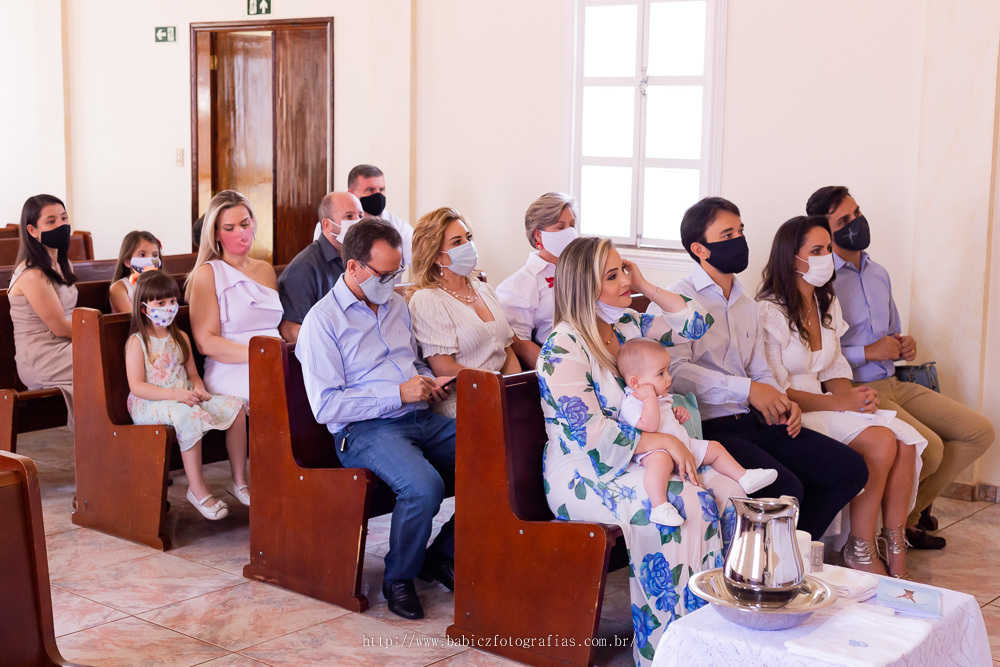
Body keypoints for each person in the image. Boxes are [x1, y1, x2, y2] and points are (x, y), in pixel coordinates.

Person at [538, 235, 744, 666]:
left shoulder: (628, 325)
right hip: (585, 472)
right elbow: (589, 437)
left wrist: (646, 286)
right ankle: (666, 652)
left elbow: (696, 322)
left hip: (644, 458)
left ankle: (715, 637)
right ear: (584, 286)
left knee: (730, 491)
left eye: (623, 270)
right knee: (684, 499)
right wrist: (665, 441)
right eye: (612, 276)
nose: (623, 282)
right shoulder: (562, 347)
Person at [662, 197, 869, 540]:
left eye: (740, 230)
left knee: (848, 470)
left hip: (753, 421)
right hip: (710, 428)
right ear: (700, 248)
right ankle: (773, 566)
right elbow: (678, 373)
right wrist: (747, 390)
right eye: (726, 233)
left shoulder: (747, 305)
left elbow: (760, 368)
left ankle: (788, 558)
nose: (739, 239)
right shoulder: (679, 299)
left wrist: (782, 400)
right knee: (787, 487)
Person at [807, 186, 995, 549]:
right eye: (843, 221)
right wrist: (866, 351)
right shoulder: (824, 281)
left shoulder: (879, 272)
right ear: (825, 232)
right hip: (858, 389)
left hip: (893, 379)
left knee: (979, 431)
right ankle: (889, 530)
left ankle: (903, 520)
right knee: (933, 447)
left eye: (857, 213)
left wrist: (902, 344)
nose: (856, 223)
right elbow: (818, 350)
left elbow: (890, 331)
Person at [296, 219, 455, 621]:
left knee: (496, 457)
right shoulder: (322, 322)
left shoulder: (396, 305)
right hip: (363, 431)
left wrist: (427, 381)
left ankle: (440, 555)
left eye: (396, 272)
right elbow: (327, 406)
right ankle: (398, 579)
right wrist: (397, 393)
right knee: (423, 487)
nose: (392, 283)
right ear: (353, 268)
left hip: (418, 415)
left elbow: (409, 360)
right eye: (384, 274)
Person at [757, 215, 925, 577]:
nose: (826, 257)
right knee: (880, 441)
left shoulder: (825, 301)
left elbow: (834, 368)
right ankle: (859, 547)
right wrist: (840, 404)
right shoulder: (770, 311)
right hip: (795, 411)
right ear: (791, 258)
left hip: (828, 403)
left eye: (827, 249)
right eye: (816, 250)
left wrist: (857, 401)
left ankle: (894, 542)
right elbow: (775, 389)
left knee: (907, 441)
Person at [125, 271, 249, 519]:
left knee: (235, 407)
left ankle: (238, 480)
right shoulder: (137, 342)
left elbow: (192, 374)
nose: (169, 307)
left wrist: (198, 388)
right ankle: (198, 489)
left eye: (172, 301)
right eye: (161, 303)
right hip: (150, 402)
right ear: (144, 308)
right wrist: (176, 395)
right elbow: (137, 386)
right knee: (187, 415)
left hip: (183, 395)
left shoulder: (180, 337)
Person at [616, 338, 777, 526]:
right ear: (636, 382)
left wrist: (678, 415)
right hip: (653, 450)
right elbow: (650, 426)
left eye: (667, 370)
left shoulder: (661, 396)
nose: (669, 378)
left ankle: (743, 476)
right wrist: (650, 398)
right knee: (660, 462)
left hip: (681, 444)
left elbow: (667, 422)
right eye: (660, 374)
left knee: (715, 448)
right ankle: (659, 506)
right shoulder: (633, 400)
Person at [407, 207, 520, 417]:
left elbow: (506, 349)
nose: (468, 245)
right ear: (436, 257)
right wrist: (495, 386)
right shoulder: (428, 299)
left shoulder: (483, 288)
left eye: (468, 238)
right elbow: (444, 368)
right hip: (464, 402)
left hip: (501, 393)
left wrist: (514, 390)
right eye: (457, 242)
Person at [186, 190, 282, 405]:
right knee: (275, 394)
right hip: (232, 369)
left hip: (274, 360)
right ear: (216, 233)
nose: (241, 233)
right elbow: (206, 343)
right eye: (230, 228)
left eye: (245, 224)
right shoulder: (208, 273)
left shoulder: (265, 269)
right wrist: (261, 354)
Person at [8, 194, 78, 428]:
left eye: (64, 218)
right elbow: (59, 327)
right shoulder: (33, 274)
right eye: (51, 221)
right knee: (104, 359)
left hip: (66, 347)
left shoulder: (63, 264)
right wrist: (99, 335)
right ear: (33, 230)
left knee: (119, 355)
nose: (61, 225)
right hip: (42, 356)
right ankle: (97, 440)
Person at [497, 192, 579, 368]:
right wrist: (557, 369)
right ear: (538, 235)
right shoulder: (521, 283)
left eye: (572, 225)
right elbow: (518, 343)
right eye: (560, 227)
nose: (570, 232)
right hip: (558, 362)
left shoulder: (583, 270)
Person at [278, 192, 364, 342]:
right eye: (349, 217)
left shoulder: (361, 258)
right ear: (327, 225)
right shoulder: (304, 267)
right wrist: (331, 344)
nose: (357, 222)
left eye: (361, 216)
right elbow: (289, 329)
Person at [312, 164, 415, 271]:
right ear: (352, 193)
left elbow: (419, 261)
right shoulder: (331, 225)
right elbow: (320, 262)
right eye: (370, 190)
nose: (378, 195)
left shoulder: (400, 227)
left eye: (381, 189)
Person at [109, 231, 162, 313]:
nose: (150, 260)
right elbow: (132, 319)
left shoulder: (161, 284)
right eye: (142, 255)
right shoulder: (119, 288)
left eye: (154, 255)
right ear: (128, 261)